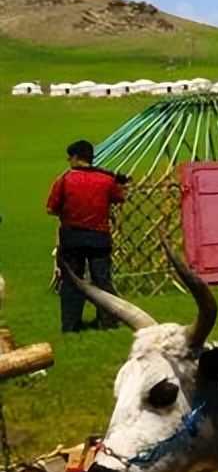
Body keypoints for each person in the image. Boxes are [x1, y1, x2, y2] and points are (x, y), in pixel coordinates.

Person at [46, 140, 128, 332]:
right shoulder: (107, 179)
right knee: (102, 281)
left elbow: (51, 208)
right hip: (99, 238)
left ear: (75, 158)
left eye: (69, 158)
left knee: (72, 281)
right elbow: (120, 197)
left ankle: (70, 324)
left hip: (72, 238)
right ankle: (108, 321)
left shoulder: (65, 180)